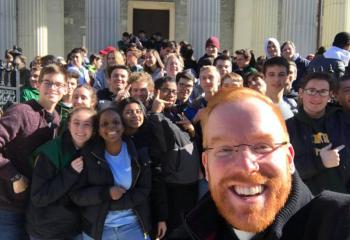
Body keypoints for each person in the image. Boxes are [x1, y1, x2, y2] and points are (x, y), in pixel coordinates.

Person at [185, 87, 350, 239]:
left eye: (262, 147)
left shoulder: (338, 222)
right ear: (206, 166)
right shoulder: (188, 230)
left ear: (289, 158)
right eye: (225, 150)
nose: (246, 166)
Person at [0, 64, 68, 240]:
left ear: (66, 89)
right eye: (48, 82)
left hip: (34, 208)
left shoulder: (57, 120)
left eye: (58, 84)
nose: (53, 88)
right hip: (7, 207)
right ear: (38, 85)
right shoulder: (21, 112)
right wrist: (13, 175)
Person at [71, 107, 152, 240]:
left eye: (116, 122)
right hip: (98, 229)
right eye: (105, 124)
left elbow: (145, 189)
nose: (111, 127)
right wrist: (106, 193)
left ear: (123, 126)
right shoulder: (88, 155)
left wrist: (115, 205)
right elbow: (77, 195)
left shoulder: (138, 153)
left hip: (133, 224)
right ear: (98, 130)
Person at [26, 107, 96, 240]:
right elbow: (39, 197)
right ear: (68, 125)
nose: (81, 129)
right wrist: (70, 173)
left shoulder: (93, 151)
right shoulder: (50, 152)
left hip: (77, 228)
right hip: (47, 229)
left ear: (94, 130)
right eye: (76, 123)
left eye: (87, 124)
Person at [149, 76, 200, 239]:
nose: (171, 94)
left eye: (173, 91)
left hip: (189, 183)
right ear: (156, 92)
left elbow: (186, 141)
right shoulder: (154, 114)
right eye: (166, 90)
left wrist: (192, 130)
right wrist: (155, 114)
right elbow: (162, 144)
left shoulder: (177, 112)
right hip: (171, 185)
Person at [286, 72, 350, 195]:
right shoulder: (287, 128)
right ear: (300, 93)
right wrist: (319, 161)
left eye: (323, 92)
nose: (316, 97)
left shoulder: (344, 121)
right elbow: (283, 170)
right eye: (311, 91)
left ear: (330, 95)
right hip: (308, 204)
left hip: (345, 202)